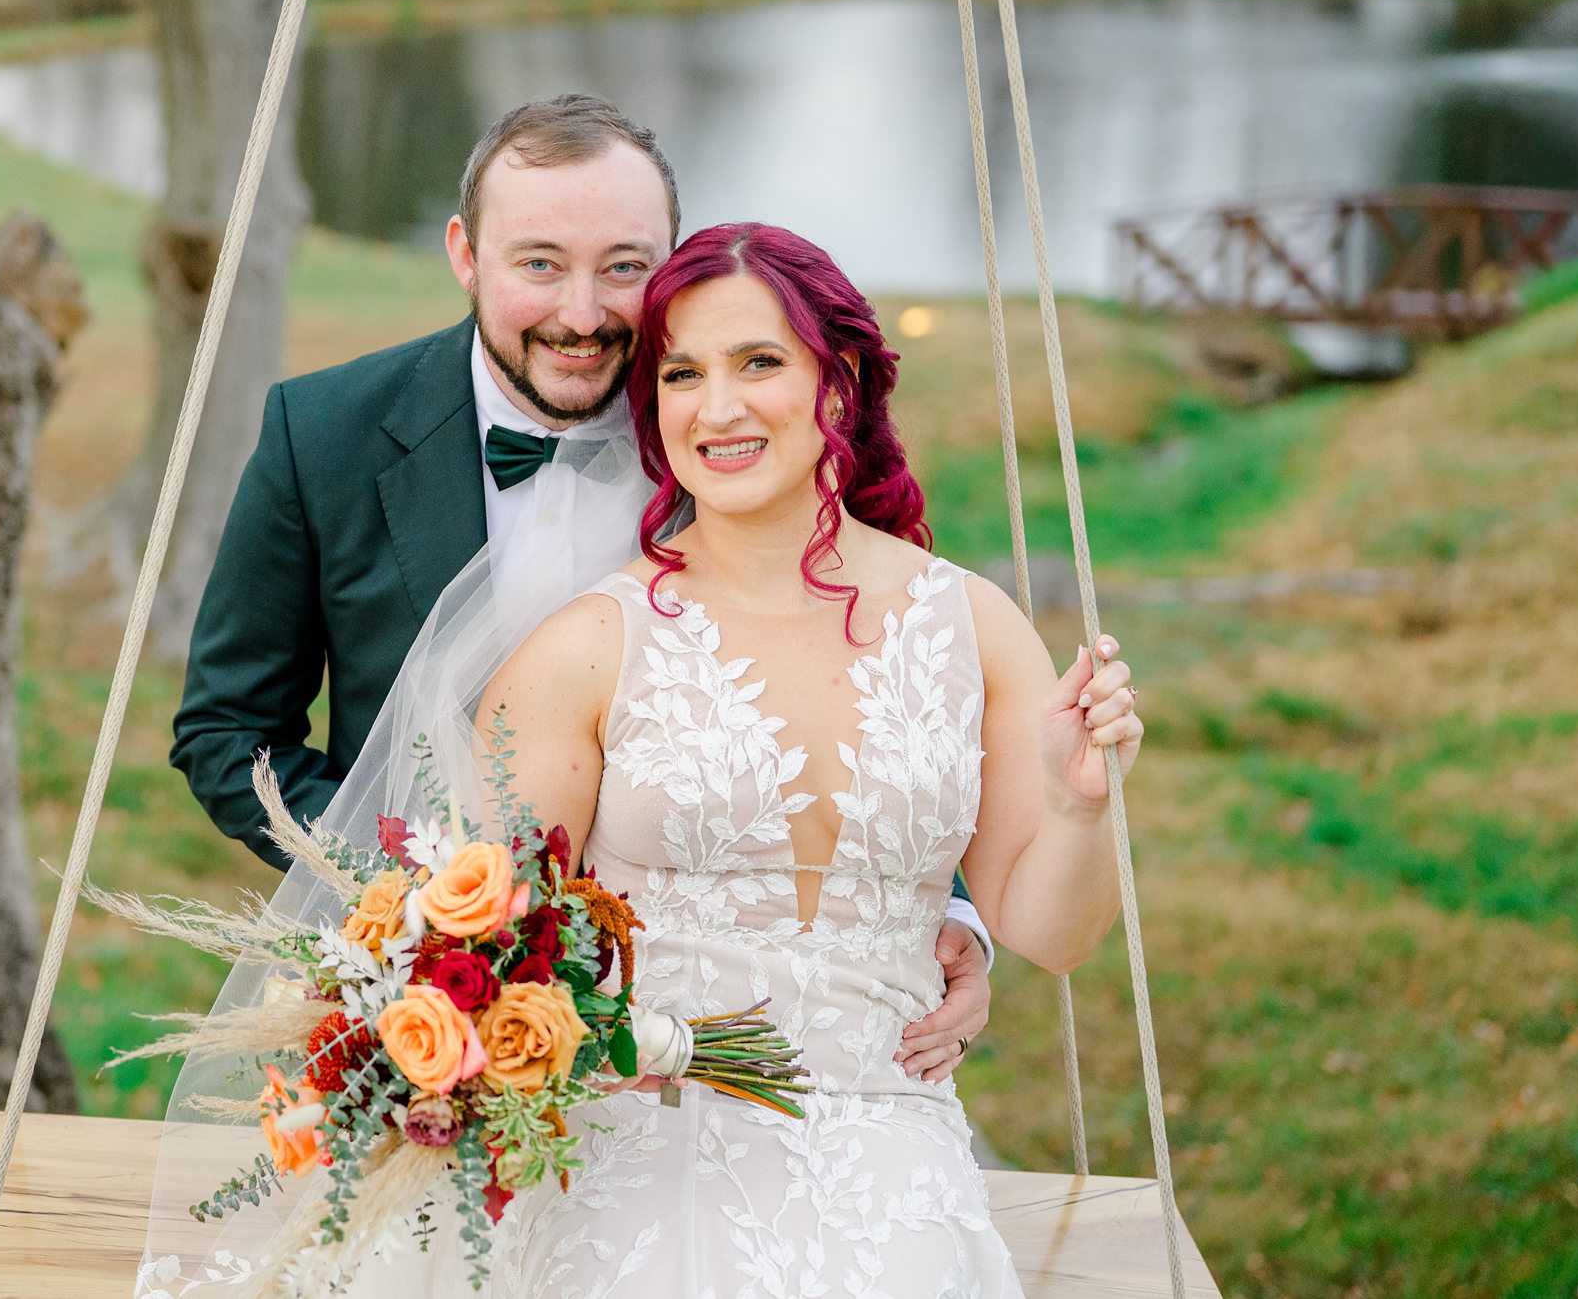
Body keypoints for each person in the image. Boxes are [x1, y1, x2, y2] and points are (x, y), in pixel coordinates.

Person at [171, 95, 989, 1084]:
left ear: (672, 262)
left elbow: (875, 678)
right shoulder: (324, 431)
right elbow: (227, 733)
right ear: (466, 254)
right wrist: (435, 902)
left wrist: (946, 908)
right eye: (540, 263)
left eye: (625, 267)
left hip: (732, 1006)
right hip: (454, 1009)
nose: (583, 313)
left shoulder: (743, 435)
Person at [472, 222, 1144, 1296]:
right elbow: (487, 950)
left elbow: (1052, 937)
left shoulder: (971, 625)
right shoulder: (591, 645)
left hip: (888, 1135)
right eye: (681, 373)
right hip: (636, 1135)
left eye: (759, 363)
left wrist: (1076, 809)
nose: (718, 407)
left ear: (839, 386)